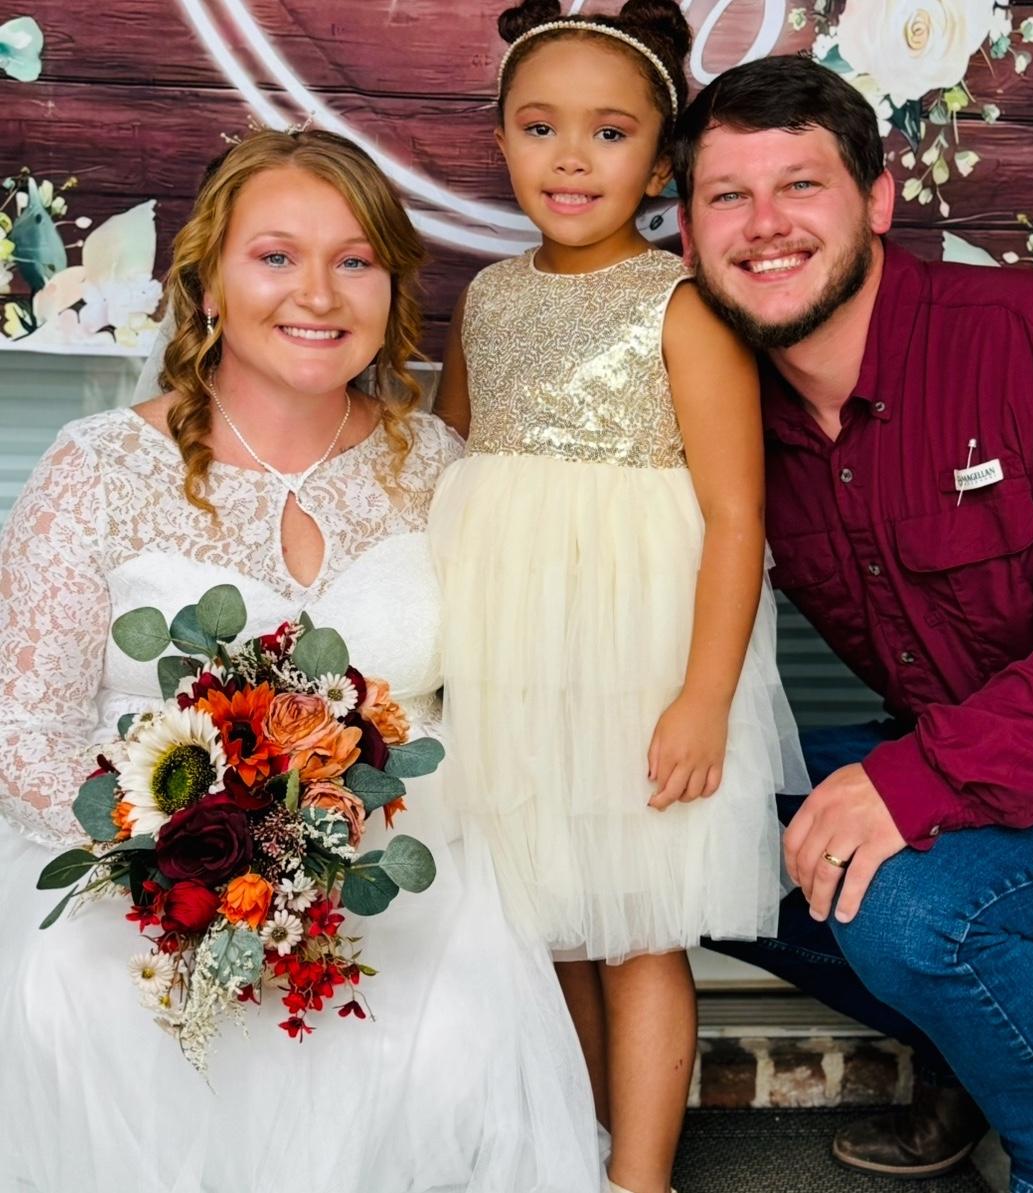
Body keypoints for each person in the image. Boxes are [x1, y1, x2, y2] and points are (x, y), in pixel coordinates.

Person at [0, 129, 602, 1193]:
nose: (317, 293)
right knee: (80, 996)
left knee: (456, 1014)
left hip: (400, 861)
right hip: (144, 868)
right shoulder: (97, 469)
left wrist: (322, 862)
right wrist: (185, 859)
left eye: (353, 259)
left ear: (391, 288)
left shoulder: (440, 468)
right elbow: (25, 729)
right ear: (207, 284)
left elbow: (503, 701)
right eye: (275, 255)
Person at [672, 52, 1033, 1193]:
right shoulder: (729, 414)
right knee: (668, 831)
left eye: (799, 185)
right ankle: (977, 1051)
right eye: (726, 196)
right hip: (970, 745)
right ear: (689, 235)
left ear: (875, 199)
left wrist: (919, 781)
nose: (764, 225)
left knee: (906, 904)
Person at [429, 5, 806, 1192]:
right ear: (500, 140)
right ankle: (576, 1150)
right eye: (539, 127)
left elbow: (736, 516)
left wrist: (701, 697)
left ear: (657, 165)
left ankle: (639, 1177)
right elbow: (449, 464)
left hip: (634, 663)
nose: (571, 158)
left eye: (608, 131)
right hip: (511, 661)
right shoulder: (486, 298)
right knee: (546, 921)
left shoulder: (678, 305)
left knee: (636, 929)